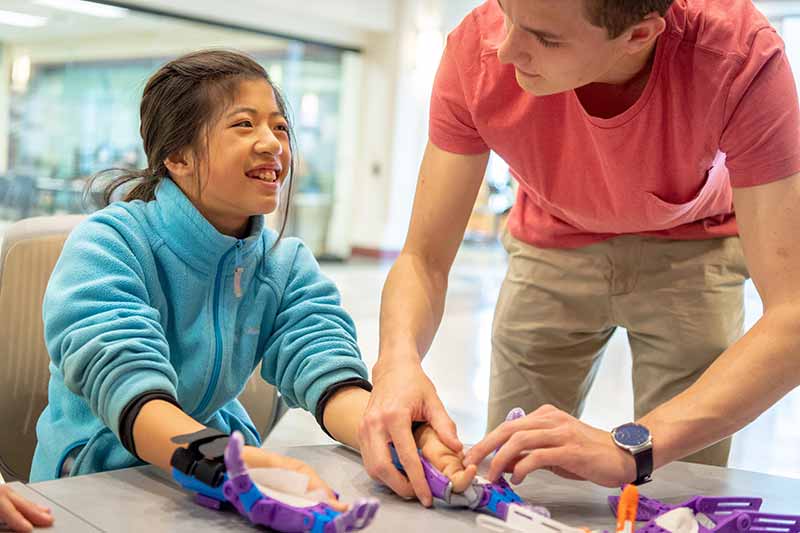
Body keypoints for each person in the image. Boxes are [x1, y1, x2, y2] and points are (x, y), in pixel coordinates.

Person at [360, 0, 800, 505]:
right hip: (551, 238)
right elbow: (423, 258)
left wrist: (629, 450)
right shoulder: (476, 52)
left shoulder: (739, 58)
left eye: (545, 39)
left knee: (679, 490)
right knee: (510, 468)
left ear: (639, 36)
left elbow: (793, 314)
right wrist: (396, 364)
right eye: (508, 15)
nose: (505, 51)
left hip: (694, 244)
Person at [29, 50, 475, 507]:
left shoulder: (284, 263)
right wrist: (227, 463)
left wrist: (406, 437)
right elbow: (129, 388)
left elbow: (330, 377)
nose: (273, 144)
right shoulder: (109, 245)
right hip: (96, 479)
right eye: (244, 125)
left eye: (279, 126)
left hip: (207, 471)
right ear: (178, 156)